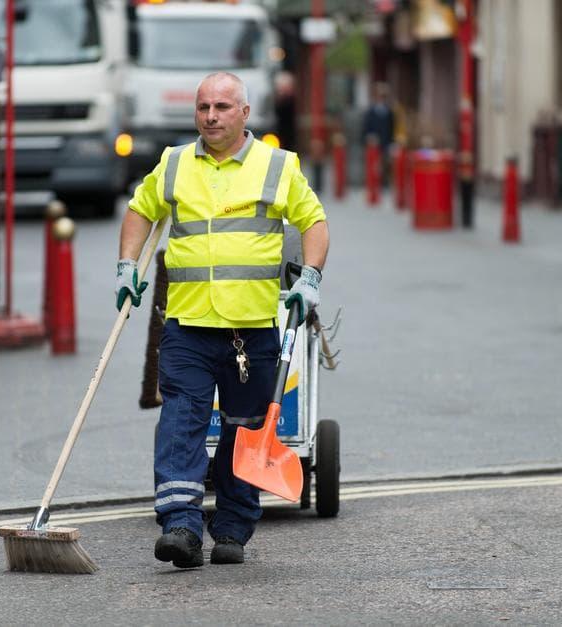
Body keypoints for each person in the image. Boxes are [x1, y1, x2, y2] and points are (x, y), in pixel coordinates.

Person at [116, 71, 329, 569]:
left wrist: (310, 277)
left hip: (251, 328)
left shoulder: (277, 166)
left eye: (222, 107)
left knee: (244, 429)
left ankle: (232, 529)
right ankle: (181, 527)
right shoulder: (173, 164)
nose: (211, 116)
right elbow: (139, 211)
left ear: (245, 113)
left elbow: (313, 222)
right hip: (187, 325)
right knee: (182, 421)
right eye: (203, 107)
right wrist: (128, 264)